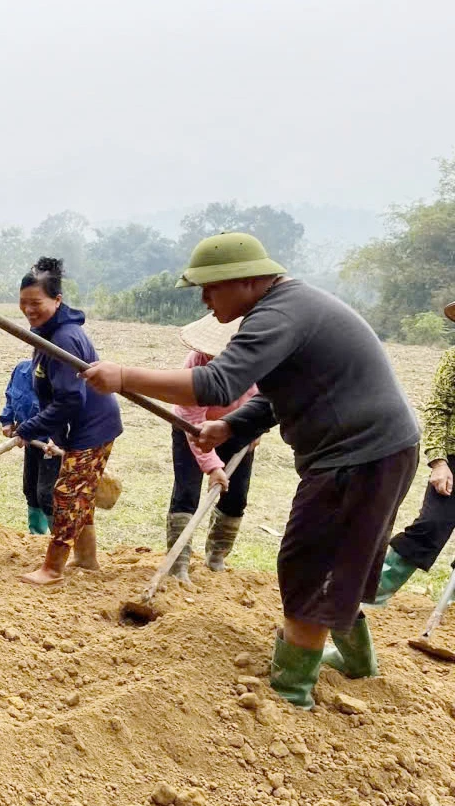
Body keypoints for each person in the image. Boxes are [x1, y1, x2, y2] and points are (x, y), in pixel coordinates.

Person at [81, 232, 419, 709]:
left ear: (248, 281)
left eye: (210, 287)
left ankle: (292, 691)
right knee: (342, 559)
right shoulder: (290, 307)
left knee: (307, 561)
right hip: (377, 452)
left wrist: (123, 377)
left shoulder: (279, 312)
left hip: (357, 456)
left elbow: (217, 382)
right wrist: (231, 426)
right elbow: (280, 389)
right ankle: (357, 664)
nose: (203, 298)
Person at [14, 258, 123, 585]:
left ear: (57, 300)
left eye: (36, 304)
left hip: (90, 426)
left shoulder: (63, 338)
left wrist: (31, 427)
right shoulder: (48, 332)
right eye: (23, 304)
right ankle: (87, 560)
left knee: (67, 495)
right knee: (81, 494)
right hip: (81, 426)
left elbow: (71, 399)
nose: (29, 311)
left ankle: (52, 569)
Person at [369, 300, 455, 608]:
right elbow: (437, 410)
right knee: (431, 526)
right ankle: (369, 596)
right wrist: (440, 462)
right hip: (453, 460)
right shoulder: (453, 359)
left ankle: (448, 613)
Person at [165, 313, 259, 581]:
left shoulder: (259, 364)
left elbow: (265, 401)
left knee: (236, 497)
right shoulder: (197, 365)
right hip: (192, 428)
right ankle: (178, 564)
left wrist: (255, 427)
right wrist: (212, 466)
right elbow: (192, 419)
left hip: (237, 429)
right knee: (186, 493)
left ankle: (216, 556)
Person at [0, 357, 58, 536]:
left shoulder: (60, 378)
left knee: (47, 495)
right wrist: (8, 420)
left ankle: (60, 540)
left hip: (52, 445)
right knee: (30, 489)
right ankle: (37, 536)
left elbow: (68, 409)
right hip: (31, 440)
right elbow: (11, 395)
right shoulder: (21, 369)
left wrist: (58, 438)